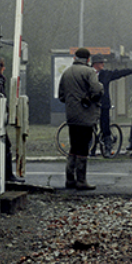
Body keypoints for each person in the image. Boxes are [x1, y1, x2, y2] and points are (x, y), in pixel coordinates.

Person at [57, 47, 104, 190]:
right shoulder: (89, 72)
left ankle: (69, 179)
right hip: (86, 115)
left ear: (75, 58)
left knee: (73, 146)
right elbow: (96, 90)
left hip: (71, 116)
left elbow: (61, 96)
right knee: (83, 147)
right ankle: (81, 180)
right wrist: (94, 94)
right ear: (88, 59)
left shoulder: (66, 73)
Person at [93, 59, 132, 153]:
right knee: (91, 125)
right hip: (93, 103)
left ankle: (108, 145)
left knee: (104, 125)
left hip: (104, 104)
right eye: (101, 63)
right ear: (95, 64)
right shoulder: (88, 73)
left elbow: (120, 73)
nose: (103, 64)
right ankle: (92, 148)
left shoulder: (106, 74)